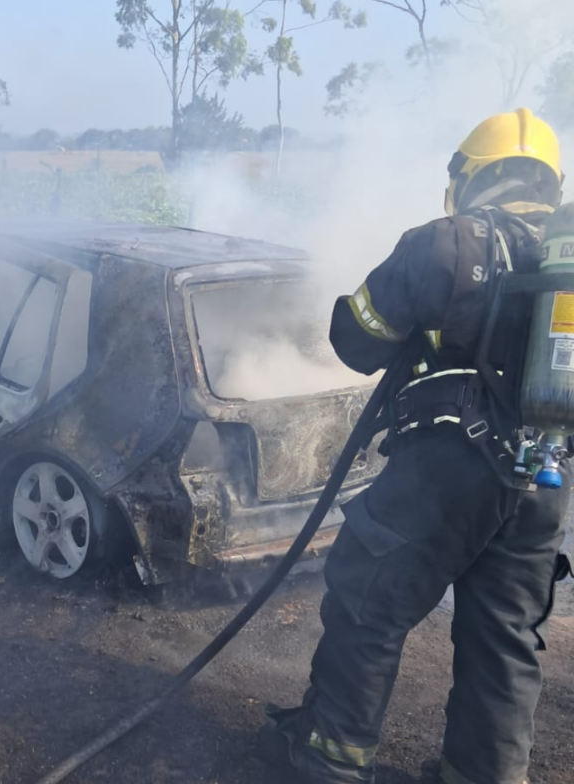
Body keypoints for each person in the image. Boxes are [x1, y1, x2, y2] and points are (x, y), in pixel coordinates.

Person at [259, 108, 572, 784]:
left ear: (468, 178)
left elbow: (356, 339)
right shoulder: (566, 259)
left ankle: (329, 764)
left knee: (367, 597)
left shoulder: (446, 244)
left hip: (448, 469)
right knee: (504, 637)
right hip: (543, 478)